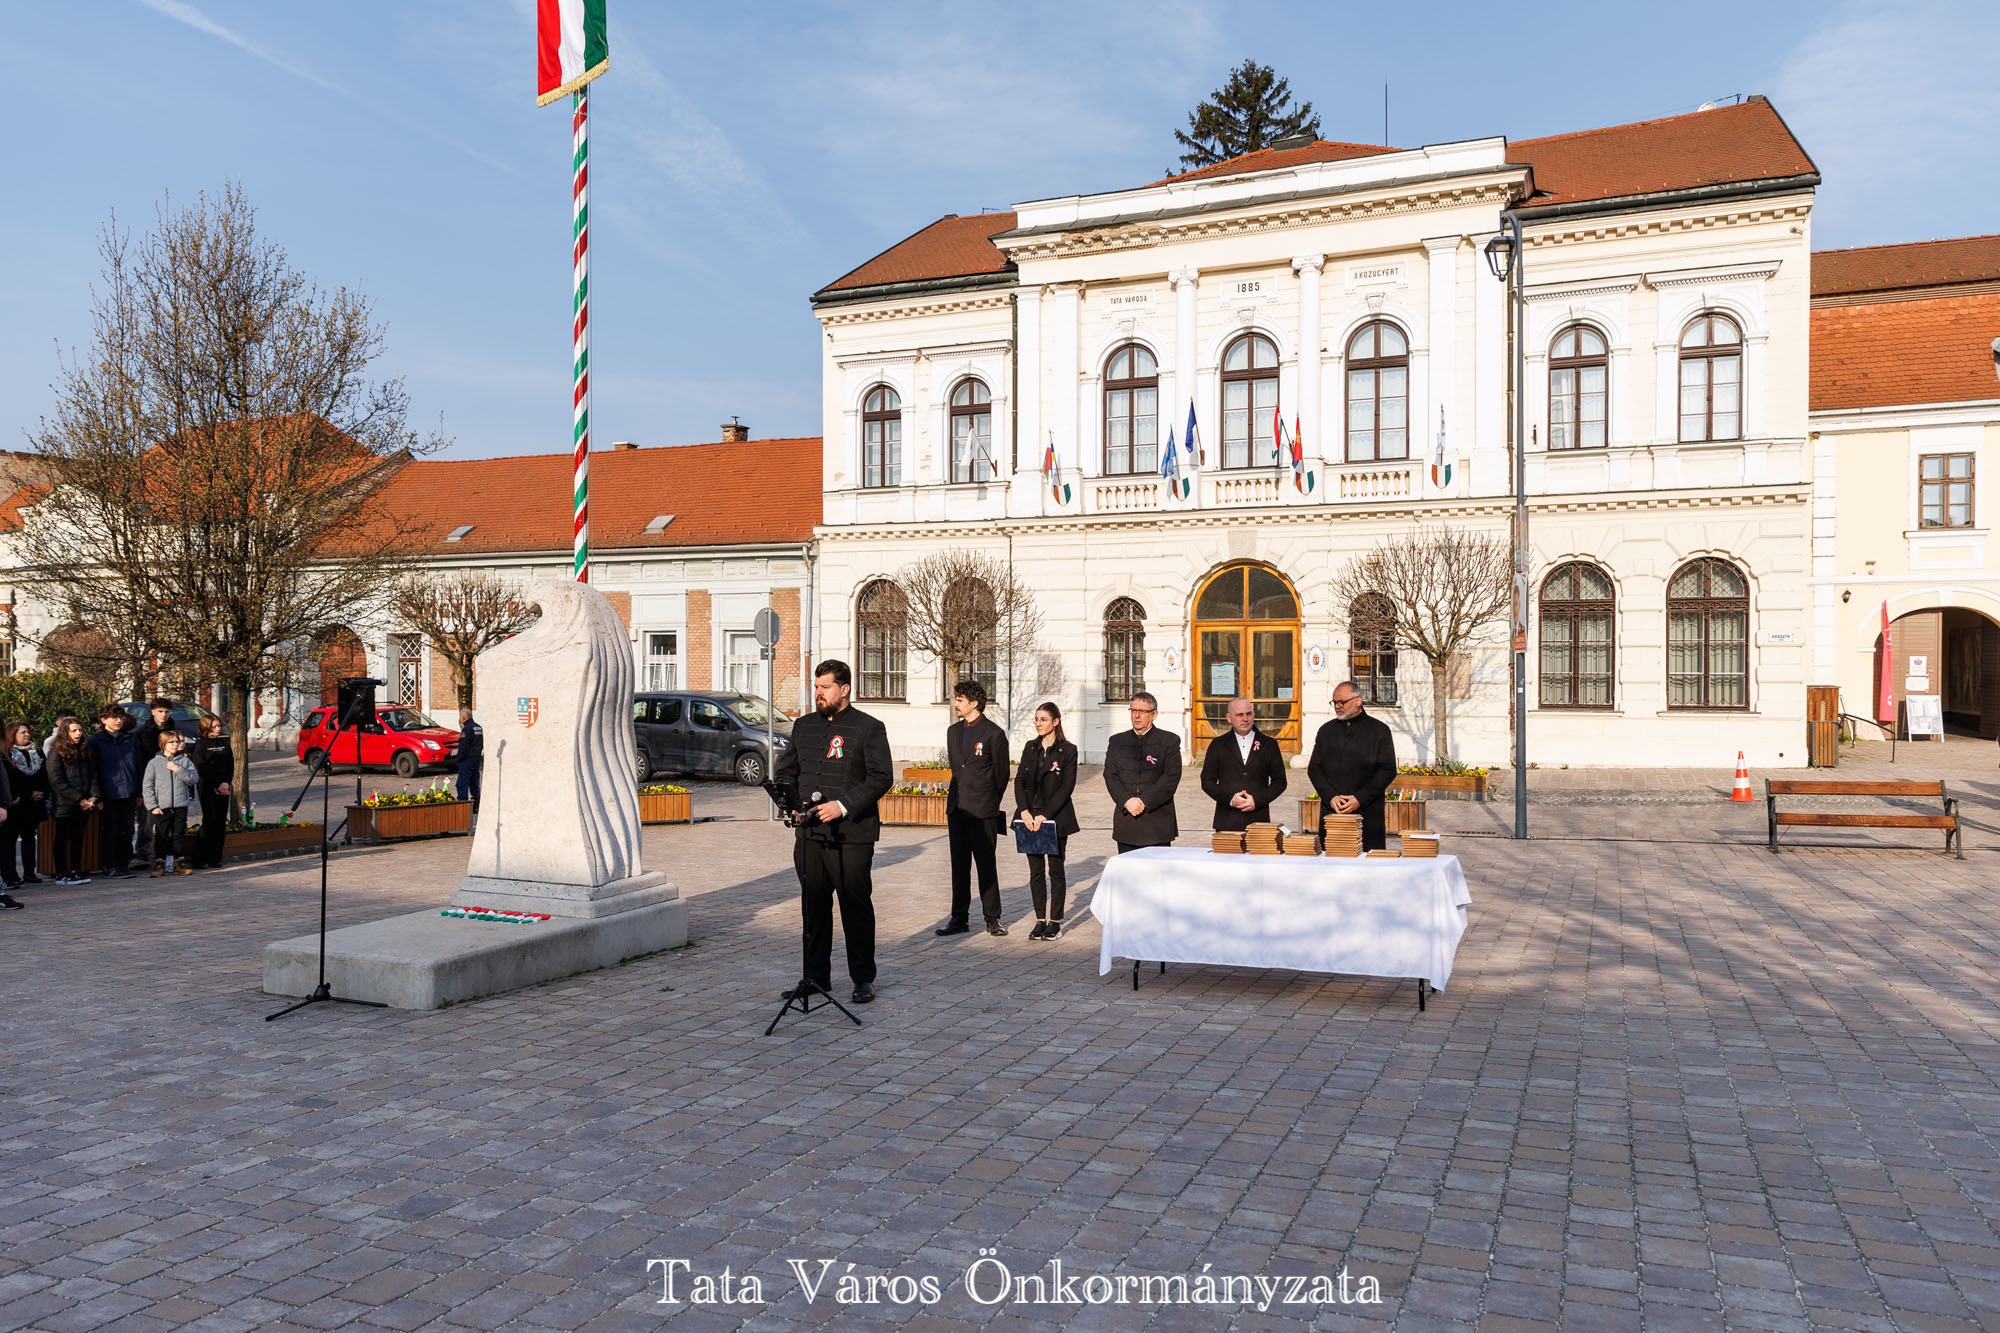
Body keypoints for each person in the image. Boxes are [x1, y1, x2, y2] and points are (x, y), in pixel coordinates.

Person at [773, 660, 893, 1005]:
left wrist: (842, 805)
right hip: (809, 834)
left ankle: (863, 978)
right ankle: (815, 977)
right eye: (816, 687)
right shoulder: (803, 726)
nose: (818, 693)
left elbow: (882, 777)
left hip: (851, 835)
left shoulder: (869, 727)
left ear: (845, 689)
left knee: (855, 907)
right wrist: (790, 803)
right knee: (813, 907)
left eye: (825, 687)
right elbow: (787, 771)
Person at [937, 680, 1010, 938]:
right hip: (958, 809)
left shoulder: (994, 734)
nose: (955, 704)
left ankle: (993, 918)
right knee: (959, 866)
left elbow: (1001, 775)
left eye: (960, 700)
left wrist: (989, 801)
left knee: (986, 865)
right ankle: (959, 918)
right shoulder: (953, 732)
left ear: (974, 703)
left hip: (983, 811)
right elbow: (957, 769)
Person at [1011, 701, 1079, 940]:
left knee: (1056, 870)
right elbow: (1019, 780)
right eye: (1036, 719)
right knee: (1036, 871)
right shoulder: (1031, 747)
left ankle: (1055, 921)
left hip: (1055, 818)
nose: (1038, 723)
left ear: (1055, 722)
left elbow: (1066, 787)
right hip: (1030, 818)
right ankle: (1040, 920)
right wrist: (1024, 811)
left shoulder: (1068, 750)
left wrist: (1045, 815)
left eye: (1043, 719)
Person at [1307, 680, 1398, 852]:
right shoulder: (1326, 731)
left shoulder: (1379, 730)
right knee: (1331, 861)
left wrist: (1359, 798)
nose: (1337, 706)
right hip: (1333, 812)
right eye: (1335, 702)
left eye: (1342, 702)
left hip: (1367, 813)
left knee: (1367, 862)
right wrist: (1330, 796)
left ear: (1358, 701)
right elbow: (1314, 768)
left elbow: (1387, 770)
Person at [1104, 692, 1182, 854]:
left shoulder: (1169, 741)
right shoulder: (1117, 741)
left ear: (1154, 715)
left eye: (1142, 711)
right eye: (1133, 710)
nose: (1137, 716)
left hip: (1157, 823)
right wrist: (1127, 800)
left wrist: (1144, 801)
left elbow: (1170, 777)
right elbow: (1111, 776)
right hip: (1127, 821)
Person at [1200, 697, 1289, 832]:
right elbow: (1207, 782)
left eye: (1248, 714)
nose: (1245, 719)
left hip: (1259, 821)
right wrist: (1230, 799)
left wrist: (1257, 800)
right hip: (1227, 822)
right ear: (1229, 718)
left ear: (1254, 715)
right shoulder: (1218, 745)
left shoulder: (1269, 744)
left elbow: (1280, 781)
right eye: (1239, 715)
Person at [87, 705, 141, 879]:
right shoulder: (95, 740)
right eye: (114, 717)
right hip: (108, 792)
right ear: (103, 720)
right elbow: (92, 770)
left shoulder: (130, 738)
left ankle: (123, 863)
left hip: (129, 791)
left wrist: (138, 791)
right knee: (110, 830)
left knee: (127, 829)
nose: (119, 721)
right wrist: (97, 795)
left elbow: (138, 764)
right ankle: (110, 865)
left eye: (121, 717)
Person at [47, 718, 100, 885]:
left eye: (80, 730)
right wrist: (79, 798)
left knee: (78, 838)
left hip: (84, 803)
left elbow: (94, 775)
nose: (78, 733)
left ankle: (75, 870)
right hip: (64, 804)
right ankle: (61, 873)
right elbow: (57, 781)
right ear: (65, 732)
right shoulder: (56, 752)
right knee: (62, 838)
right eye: (73, 730)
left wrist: (93, 796)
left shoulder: (85, 750)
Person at [142, 730, 199, 876]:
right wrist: (152, 805)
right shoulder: (154, 763)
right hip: (162, 806)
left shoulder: (185, 761)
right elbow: (147, 786)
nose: (175, 745)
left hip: (180, 804)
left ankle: (178, 864)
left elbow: (193, 778)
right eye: (171, 742)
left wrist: (178, 769)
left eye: (177, 742)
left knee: (178, 835)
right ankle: (159, 865)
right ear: (163, 744)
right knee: (161, 835)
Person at [2, 721, 50, 894]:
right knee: (9, 840)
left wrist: (41, 791)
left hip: (34, 804)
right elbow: (9, 779)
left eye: (28, 731)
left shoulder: (36, 751)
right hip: (16, 803)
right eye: (22, 732)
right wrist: (27, 793)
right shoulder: (7, 754)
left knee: (30, 838)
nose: (27, 734)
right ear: (12, 735)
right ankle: (10, 875)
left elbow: (45, 774)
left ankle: (30, 872)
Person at [132, 698, 175, 858]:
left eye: (167, 711)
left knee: (168, 819)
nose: (163, 715)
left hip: (169, 779)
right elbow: (138, 760)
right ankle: (142, 852)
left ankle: (165, 853)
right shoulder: (142, 732)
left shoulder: (173, 730)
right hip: (148, 779)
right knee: (147, 819)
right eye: (160, 711)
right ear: (152, 712)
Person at [189, 717, 233, 870]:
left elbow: (230, 764)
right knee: (209, 819)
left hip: (224, 786)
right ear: (206, 727)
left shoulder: (224, 742)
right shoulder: (200, 744)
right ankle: (199, 858)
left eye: (219, 726)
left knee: (220, 821)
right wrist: (217, 783)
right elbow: (201, 767)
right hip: (207, 785)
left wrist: (226, 782)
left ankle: (215, 857)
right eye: (214, 726)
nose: (218, 729)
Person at [456, 706, 484, 811]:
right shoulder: (479, 727)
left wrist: (459, 759)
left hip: (467, 760)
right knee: (474, 783)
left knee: (461, 784)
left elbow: (464, 746)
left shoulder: (466, 729)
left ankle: (463, 807)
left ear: (463, 718)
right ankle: (476, 805)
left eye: (460, 717)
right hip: (476, 759)